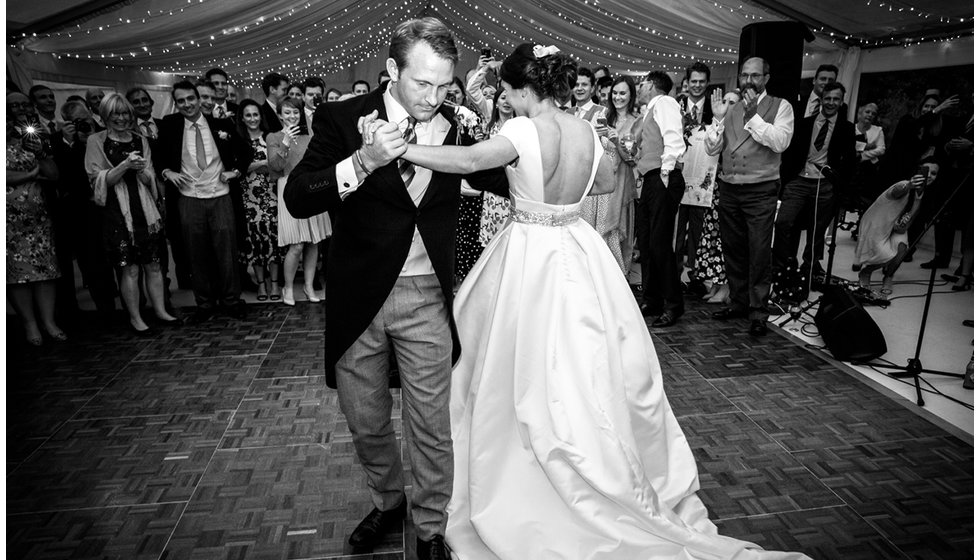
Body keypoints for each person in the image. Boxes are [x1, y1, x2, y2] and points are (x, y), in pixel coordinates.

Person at [395, 42, 810, 560]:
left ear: (525, 87)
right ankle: (592, 443)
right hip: (575, 244)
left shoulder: (523, 129)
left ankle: (522, 463)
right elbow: (609, 179)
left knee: (511, 363)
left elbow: (472, 160)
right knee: (584, 361)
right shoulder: (589, 131)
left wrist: (402, 149)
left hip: (529, 249)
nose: (504, 97)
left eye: (507, 89)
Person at [283, 18, 507, 560]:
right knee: (366, 420)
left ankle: (431, 529)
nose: (434, 98)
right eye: (422, 84)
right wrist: (362, 162)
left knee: (431, 424)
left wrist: (519, 130)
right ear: (391, 71)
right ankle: (387, 503)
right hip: (359, 296)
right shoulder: (341, 118)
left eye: (443, 85)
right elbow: (298, 197)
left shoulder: (459, 124)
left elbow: (503, 178)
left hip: (428, 294)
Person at [705, 57, 794, 337]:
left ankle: (758, 311)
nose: (749, 81)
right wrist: (718, 119)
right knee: (733, 248)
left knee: (758, 250)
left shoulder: (782, 106)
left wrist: (754, 116)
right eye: (744, 76)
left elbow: (780, 142)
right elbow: (712, 149)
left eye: (755, 76)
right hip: (730, 186)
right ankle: (739, 302)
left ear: (766, 77)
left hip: (761, 188)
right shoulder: (732, 108)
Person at [153, 80, 251, 323]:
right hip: (189, 198)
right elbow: (158, 157)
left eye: (191, 99)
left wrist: (235, 171)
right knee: (196, 254)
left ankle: (231, 301)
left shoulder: (221, 124)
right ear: (176, 104)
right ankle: (204, 304)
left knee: (226, 252)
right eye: (181, 101)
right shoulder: (170, 125)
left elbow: (246, 151)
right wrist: (167, 172)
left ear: (199, 99)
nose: (187, 104)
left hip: (220, 196)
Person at [83, 93, 178, 333]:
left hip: (144, 209)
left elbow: (149, 177)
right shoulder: (96, 141)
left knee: (154, 264)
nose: (122, 118)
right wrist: (125, 165)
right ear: (105, 116)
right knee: (130, 268)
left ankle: (160, 311)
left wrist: (141, 170)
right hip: (116, 213)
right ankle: (135, 317)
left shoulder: (139, 139)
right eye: (116, 114)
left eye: (125, 113)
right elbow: (97, 179)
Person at [775, 81, 855, 285]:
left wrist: (838, 182)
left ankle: (808, 271)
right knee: (783, 222)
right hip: (798, 181)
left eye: (836, 99)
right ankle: (782, 265)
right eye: (827, 98)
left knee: (817, 231)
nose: (831, 103)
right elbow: (790, 154)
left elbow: (851, 160)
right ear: (821, 100)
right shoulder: (804, 124)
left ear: (841, 101)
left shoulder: (847, 128)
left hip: (825, 184)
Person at [7, 92, 67, 346]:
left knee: (45, 270)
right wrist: (28, 175)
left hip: (38, 215)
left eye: (24, 104)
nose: (20, 109)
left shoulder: (37, 135)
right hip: (9, 219)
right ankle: (30, 325)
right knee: (16, 274)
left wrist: (40, 154)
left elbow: (53, 175)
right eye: (13, 105)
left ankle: (49, 322)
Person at [634, 70, 687, 328]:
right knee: (646, 241)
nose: (640, 87)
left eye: (643, 83)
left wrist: (665, 172)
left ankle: (674, 305)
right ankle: (652, 299)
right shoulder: (650, 109)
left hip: (662, 177)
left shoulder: (665, 102)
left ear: (653, 85)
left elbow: (674, 139)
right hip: (651, 178)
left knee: (660, 243)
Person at [267, 97, 330, 305]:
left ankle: (309, 286)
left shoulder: (308, 136)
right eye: (287, 112)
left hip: (311, 185)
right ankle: (287, 287)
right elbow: (275, 166)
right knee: (296, 245)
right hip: (289, 187)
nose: (292, 116)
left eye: (295, 112)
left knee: (314, 242)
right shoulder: (273, 137)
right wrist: (285, 142)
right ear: (279, 115)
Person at [584, 75, 639, 274]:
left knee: (612, 231)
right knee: (591, 232)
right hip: (598, 183)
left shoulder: (636, 122)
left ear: (631, 95)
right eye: (615, 93)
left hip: (619, 185)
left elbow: (633, 158)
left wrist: (616, 140)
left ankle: (614, 278)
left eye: (622, 93)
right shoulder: (602, 115)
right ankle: (592, 276)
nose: (618, 97)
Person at [855, 162, 936, 294]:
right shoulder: (904, 185)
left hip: (897, 228)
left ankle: (888, 276)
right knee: (885, 254)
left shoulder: (928, 195)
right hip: (878, 225)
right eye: (926, 171)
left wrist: (904, 225)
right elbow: (896, 191)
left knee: (902, 248)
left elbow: (913, 220)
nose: (929, 176)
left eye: (934, 173)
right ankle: (866, 272)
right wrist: (909, 185)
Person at [675, 61, 716, 279]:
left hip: (704, 178)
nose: (697, 85)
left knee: (699, 230)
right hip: (678, 174)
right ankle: (674, 271)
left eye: (701, 82)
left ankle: (695, 274)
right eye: (693, 81)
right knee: (677, 228)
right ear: (687, 82)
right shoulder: (675, 105)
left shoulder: (715, 108)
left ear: (707, 83)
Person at [236, 99, 281, 302]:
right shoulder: (238, 139)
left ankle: (274, 284)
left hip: (271, 198)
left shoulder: (270, 138)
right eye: (248, 115)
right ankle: (261, 285)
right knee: (255, 243)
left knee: (272, 242)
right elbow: (238, 168)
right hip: (249, 201)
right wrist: (261, 163)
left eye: (256, 115)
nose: (253, 119)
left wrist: (256, 165)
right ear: (242, 118)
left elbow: (279, 165)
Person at [477, 87, 513, 248]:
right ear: (496, 103)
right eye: (502, 98)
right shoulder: (488, 126)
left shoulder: (518, 126)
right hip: (492, 189)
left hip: (512, 185)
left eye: (509, 98)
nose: (506, 102)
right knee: (492, 239)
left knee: (509, 236)